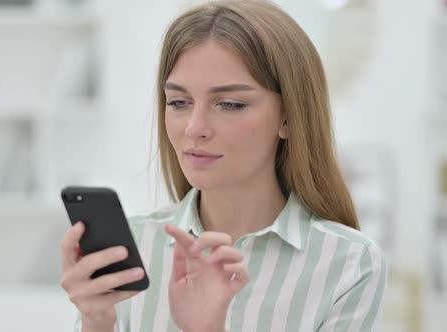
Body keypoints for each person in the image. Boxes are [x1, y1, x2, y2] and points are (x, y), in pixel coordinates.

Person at [60, 0, 388, 331]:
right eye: (178, 102)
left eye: (230, 104)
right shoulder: (132, 250)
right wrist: (95, 322)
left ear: (288, 117)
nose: (194, 127)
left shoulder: (348, 264)